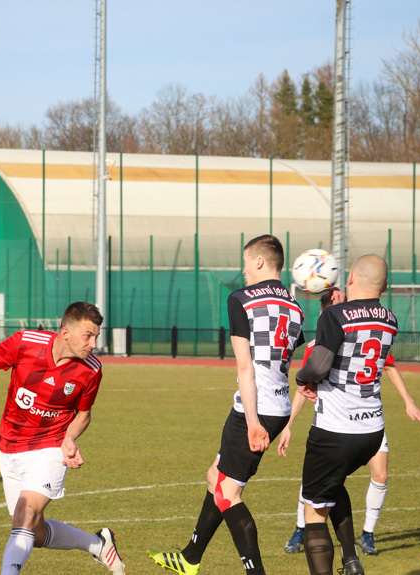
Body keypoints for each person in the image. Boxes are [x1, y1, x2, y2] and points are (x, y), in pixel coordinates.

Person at [148, 234, 305, 575]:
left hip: (255, 409)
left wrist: (251, 421)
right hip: (277, 407)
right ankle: (190, 558)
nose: (243, 269)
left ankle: (255, 572)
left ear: (260, 262)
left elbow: (245, 366)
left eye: (246, 262)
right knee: (215, 477)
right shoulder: (295, 306)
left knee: (227, 492)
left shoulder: (242, 299)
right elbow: (290, 362)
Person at [0, 302, 125, 575]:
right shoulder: (24, 343)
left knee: (25, 516)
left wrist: (69, 438)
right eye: (88, 335)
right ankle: (99, 545)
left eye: (96, 336)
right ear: (66, 333)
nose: (93, 343)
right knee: (34, 532)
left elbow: (84, 414)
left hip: (50, 448)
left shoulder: (91, 370)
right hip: (9, 447)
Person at [282, 289, 420, 557]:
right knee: (319, 478)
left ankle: (367, 535)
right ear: (327, 310)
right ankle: (301, 528)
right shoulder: (320, 344)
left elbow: (389, 365)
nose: (344, 304)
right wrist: (289, 424)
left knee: (381, 474)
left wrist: (409, 401)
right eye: (337, 301)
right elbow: (306, 385)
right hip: (336, 423)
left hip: (370, 420)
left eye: (344, 299)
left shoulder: (366, 331)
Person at [286, 254, 397, 575]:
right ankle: (350, 560)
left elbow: (318, 365)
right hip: (372, 432)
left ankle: (339, 565)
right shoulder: (390, 319)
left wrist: (303, 379)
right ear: (385, 287)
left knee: (314, 512)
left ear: (349, 279)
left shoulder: (335, 315)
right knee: (334, 484)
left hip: (336, 429)